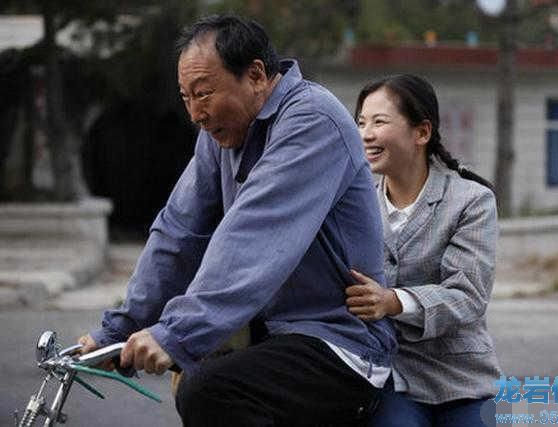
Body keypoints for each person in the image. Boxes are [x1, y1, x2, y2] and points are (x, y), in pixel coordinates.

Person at [78, 14, 397, 426]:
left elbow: (253, 235)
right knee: (200, 379)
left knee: (209, 390)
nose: (195, 113)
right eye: (186, 97)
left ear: (256, 75)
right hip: (273, 335)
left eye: (204, 94)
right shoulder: (222, 135)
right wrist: (120, 329)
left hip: (339, 343)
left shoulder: (313, 120)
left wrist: (178, 332)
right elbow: (179, 231)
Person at [346, 74, 502, 427]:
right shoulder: (355, 204)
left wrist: (393, 301)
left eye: (379, 122)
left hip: (462, 377)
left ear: (422, 132)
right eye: (361, 122)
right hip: (388, 374)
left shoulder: (471, 201)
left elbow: (467, 295)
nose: (366, 134)